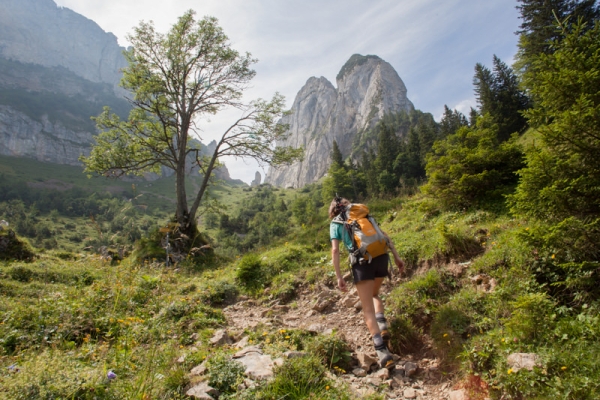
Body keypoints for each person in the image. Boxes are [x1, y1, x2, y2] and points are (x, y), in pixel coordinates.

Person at [329, 197, 405, 369]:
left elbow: (335, 250)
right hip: (382, 257)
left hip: (362, 262)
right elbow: (384, 235)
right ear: (348, 204)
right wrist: (397, 257)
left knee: (367, 310)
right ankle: (383, 325)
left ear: (333, 210)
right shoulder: (363, 213)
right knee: (375, 294)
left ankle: (383, 353)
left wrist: (339, 276)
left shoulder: (336, 222)